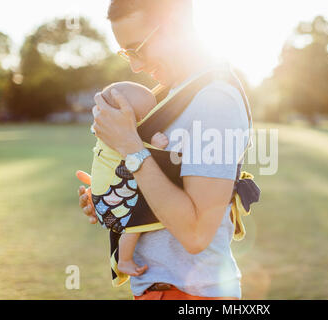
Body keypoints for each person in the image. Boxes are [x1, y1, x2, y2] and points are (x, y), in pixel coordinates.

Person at [78, 0, 250, 300]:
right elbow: (157, 185)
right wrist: (117, 195)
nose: (135, 65)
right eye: (126, 53)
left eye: (137, 48)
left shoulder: (215, 101)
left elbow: (196, 233)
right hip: (156, 290)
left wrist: (130, 147)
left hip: (195, 295)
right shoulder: (170, 95)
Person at [91, 82, 169, 277]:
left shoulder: (107, 131)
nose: (148, 120)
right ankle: (124, 260)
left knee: (136, 217)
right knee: (135, 221)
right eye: (142, 117)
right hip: (111, 198)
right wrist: (156, 146)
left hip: (107, 192)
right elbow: (137, 155)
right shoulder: (113, 135)